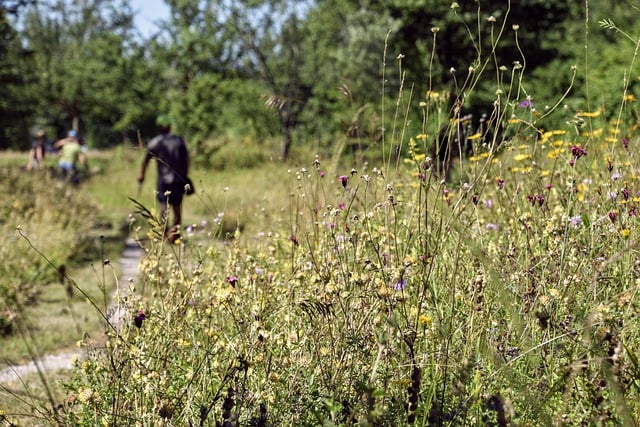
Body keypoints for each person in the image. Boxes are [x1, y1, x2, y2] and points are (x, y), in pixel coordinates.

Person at [138, 115, 190, 242]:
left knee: (163, 207)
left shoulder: (155, 142)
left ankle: (164, 234)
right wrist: (185, 175)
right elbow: (187, 159)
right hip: (178, 179)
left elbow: (145, 162)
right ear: (169, 126)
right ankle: (176, 236)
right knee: (177, 209)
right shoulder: (179, 141)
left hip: (163, 181)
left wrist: (142, 176)